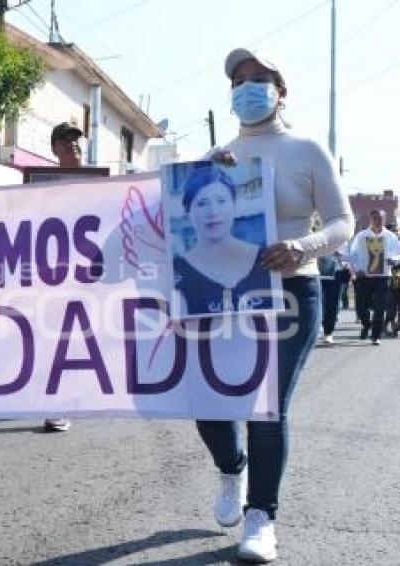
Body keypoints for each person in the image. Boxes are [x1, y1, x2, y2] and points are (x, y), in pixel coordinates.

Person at [197, 48, 353, 562]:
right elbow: (178, 219)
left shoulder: (307, 150)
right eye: (238, 80)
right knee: (208, 401)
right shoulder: (217, 156)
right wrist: (205, 179)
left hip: (291, 292)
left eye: (258, 78)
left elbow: (341, 223)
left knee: (266, 408)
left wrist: (302, 247)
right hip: (225, 296)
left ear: (280, 91)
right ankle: (231, 469)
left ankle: (261, 516)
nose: (247, 87)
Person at [172, 165, 273, 316]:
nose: (213, 212)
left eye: (221, 201)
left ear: (234, 205)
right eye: (202, 203)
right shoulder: (178, 271)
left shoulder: (266, 260)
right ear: (188, 211)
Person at [39, 121, 85, 433]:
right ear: (54, 148)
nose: (74, 147)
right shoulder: (42, 185)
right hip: (54, 277)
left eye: (77, 142)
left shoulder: (102, 184)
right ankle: (57, 403)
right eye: (66, 142)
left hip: (91, 278)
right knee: (58, 338)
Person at [348, 210, 400, 345]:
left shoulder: (391, 236)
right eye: (375, 218)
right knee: (361, 307)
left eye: (380, 218)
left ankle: (375, 335)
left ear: (384, 219)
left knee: (380, 306)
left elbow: (398, 254)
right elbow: (353, 255)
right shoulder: (361, 236)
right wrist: (357, 270)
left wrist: (394, 260)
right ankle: (366, 324)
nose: (377, 221)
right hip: (364, 276)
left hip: (383, 276)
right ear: (370, 219)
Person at [317, 251, 344, 344]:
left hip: (335, 271)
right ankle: (316, 327)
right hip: (314, 270)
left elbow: (349, 251)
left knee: (332, 303)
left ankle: (328, 332)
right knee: (316, 301)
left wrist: (342, 256)